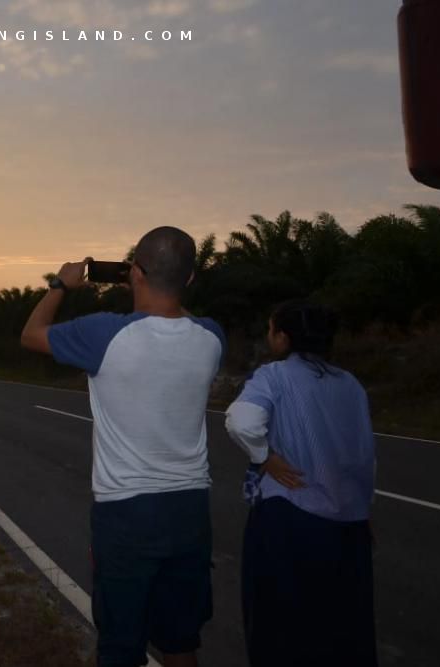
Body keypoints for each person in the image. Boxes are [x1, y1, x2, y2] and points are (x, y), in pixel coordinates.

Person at [20, 226, 226, 667]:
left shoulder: (104, 334)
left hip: (127, 513)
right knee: (180, 641)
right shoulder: (212, 337)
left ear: (134, 273)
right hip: (190, 511)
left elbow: (31, 334)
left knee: (120, 647)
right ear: (189, 280)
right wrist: (160, 282)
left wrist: (61, 284)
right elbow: (178, 314)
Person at [224, 300, 377, 667]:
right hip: (347, 526)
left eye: (271, 329)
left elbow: (241, 421)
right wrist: (361, 510)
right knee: (344, 629)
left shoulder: (273, 376)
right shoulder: (350, 384)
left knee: (281, 629)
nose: (268, 335)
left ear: (284, 338)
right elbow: (362, 455)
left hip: (289, 520)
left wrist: (264, 457)